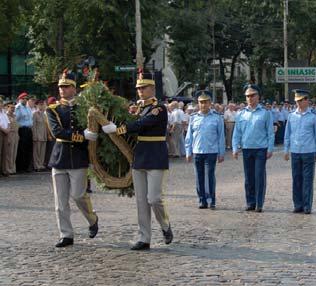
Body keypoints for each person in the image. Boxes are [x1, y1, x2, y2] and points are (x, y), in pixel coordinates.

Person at [106, 70, 173, 251]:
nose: (140, 91)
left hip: (156, 155)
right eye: (138, 88)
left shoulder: (158, 108)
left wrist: (118, 129)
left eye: (144, 88)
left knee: (154, 198)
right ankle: (144, 237)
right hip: (140, 155)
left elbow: (142, 124)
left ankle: (165, 225)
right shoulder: (137, 108)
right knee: (142, 201)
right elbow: (133, 121)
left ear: (152, 88)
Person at [46, 70, 99, 247]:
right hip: (60, 157)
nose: (62, 89)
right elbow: (57, 132)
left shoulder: (84, 108)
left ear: (74, 89)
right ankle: (66, 234)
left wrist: (92, 134)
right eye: (60, 87)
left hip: (78, 157)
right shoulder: (53, 109)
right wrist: (82, 135)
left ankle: (92, 219)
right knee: (60, 201)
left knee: (78, 195)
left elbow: (92, 125)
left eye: (66, 86)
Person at [232, 84, 274, 212]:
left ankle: (259, 203)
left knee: (259, 176)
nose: (249, 98)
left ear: (258, 96)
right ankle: (250, 202)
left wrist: (270, 149)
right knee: (249, 177)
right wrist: (235, 147)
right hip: (247, 148)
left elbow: (270, 132)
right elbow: (237, 132)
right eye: (247, 96)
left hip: (261, 148)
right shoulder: (241, 114)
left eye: (252, 95)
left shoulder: (265, 113)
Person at [284, 90, 316, 214]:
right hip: (295, 151)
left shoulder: (314, 116)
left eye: (300, 100)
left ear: (307, 100)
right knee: (296, 179)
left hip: (309, 151)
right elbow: (287, 134)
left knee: (307, 180)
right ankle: (297, 205)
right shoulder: (291, 115)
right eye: (296, 101)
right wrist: (286, 149)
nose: (298, 103)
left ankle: (307, 205)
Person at [185, 90, 225, 209]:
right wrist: (188, 151)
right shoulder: (193, 118)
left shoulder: (217, 118)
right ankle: (202, 199)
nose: (203, 105)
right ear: (198, 103)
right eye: (201, 102)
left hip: (211, 151)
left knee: (210, 176)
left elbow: (221, 136)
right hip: (197, 151)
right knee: (199, 177)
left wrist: (221, 153)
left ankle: (211, 199)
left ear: (210, 103)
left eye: (206, 102)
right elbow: (189, 136)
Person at [15, 92, 33, 172]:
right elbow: (16, 119)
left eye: (26, 99)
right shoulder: (18, 107)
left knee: (28, 148)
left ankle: (26, 167)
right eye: (24, 99)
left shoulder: (28, 108)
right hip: (22, 130)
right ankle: (20, 167)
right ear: (20, 99)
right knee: (21, 149)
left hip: (29, 130)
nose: (25, 100)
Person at [2, 101, 19, 176]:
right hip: (10, 135)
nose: (13, 109)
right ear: (7, 107)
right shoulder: (6, 115)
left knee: (14, 153)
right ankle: (8, 169)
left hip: (15, 135)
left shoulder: (14, 116)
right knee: (9, 153)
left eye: (14, 107)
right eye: (11, 107)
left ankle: (13, 168)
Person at [32, 100, 48, 171]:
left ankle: (41, 165)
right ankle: (37, 166)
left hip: (43, 135)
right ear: (36, 105)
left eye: (42, 104)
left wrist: (46, 135)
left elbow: (45, 126)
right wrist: (34, 135)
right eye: (40, 105)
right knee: (37, 152)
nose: (41, 106)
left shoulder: (44, 115)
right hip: (37, 135)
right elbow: (33, 126)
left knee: (42, 152)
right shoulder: (34, 114)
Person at [0, 98, 10, 176]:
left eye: (1, 103)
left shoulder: (4, 113)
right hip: (1, 132)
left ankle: (4, 170)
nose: (1, 104)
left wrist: (8, 129)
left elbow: (8, 122)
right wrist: (4, 130)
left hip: (6, 133)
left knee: (5, 152)